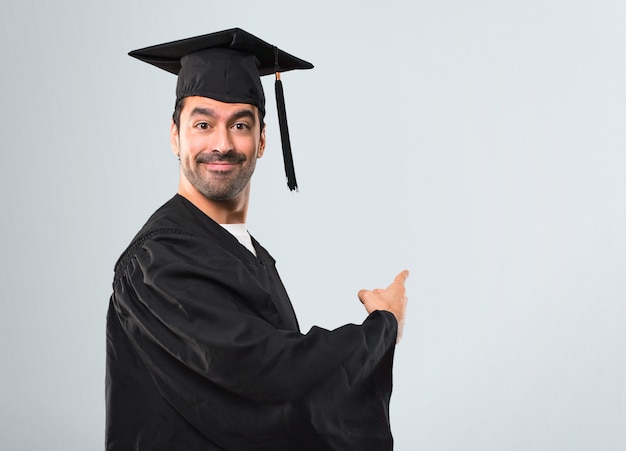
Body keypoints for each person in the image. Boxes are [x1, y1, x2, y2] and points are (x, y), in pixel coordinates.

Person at [106, 28, 409, 451]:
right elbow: (270, 378)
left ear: (262, 140)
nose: (222, 143)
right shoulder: (158, 260)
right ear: (176, 135)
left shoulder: (248, 254)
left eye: (241, 125)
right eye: (203, 123)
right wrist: (383, 327)